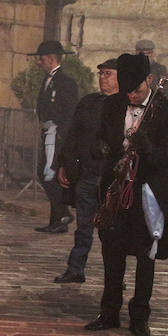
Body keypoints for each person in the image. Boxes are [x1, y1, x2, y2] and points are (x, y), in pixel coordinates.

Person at [85, 53, 168, 336]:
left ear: (149, 80)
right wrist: (102, 148)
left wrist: (147, 147)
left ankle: (140, 316)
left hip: (147, 194)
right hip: (116, 190)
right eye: (128, 91)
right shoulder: (113, 105)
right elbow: (102, 138)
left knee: (144, 257)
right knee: (112, 254)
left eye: (137, 90)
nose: (133, 97)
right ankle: (109, 312)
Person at [53, 58, 119, 283]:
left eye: (108, 74)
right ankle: (76, 268)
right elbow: (73, 135)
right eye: (101, 74)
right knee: (83, 226)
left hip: (112, 178)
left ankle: (114, 275)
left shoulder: (125, 105)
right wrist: (64, 164)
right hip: (89, 174)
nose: (103, 78)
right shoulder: (89, 103)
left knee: (112, 231)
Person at [28, 40, 79, 233]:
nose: (38, 63)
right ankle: (57, 219)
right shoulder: (48, 79)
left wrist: (61, 135)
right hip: (48, 131)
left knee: (48, 174)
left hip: (56, 133)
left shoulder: (66, 82)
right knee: (47, 173)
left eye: (40, 59)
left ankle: (63, 212)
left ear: (50, 59)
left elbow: (69, 111)